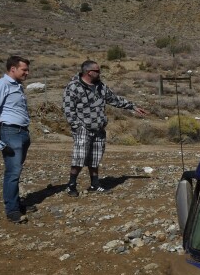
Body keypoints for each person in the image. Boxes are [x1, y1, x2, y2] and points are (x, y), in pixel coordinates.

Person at [62, 60, 149, 196]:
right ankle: (71, 185)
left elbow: (114, 99)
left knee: (95, 158)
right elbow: (68, 109)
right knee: (79, 157)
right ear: (89, 72)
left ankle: (95, 185)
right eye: (97, 71)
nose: (100, 73)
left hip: (99, 128)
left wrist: (133, 106)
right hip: (83, 128)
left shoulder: (101, 87)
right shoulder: (73, 87)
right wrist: (77, 126)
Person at [0, 55, 32, 223]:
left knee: (16, 170)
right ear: (13, 69)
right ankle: (12, 210)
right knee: (13, 172)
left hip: (22, 132)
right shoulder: (0, 85)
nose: (27, 73)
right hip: (10, 133)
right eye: (24, 69)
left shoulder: (17, 86)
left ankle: (16, 202)